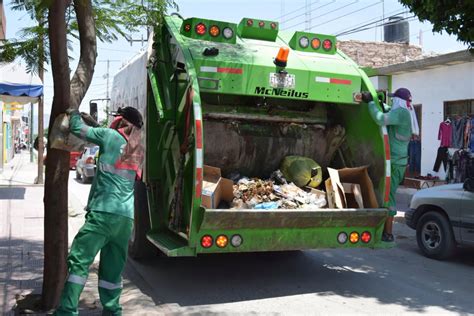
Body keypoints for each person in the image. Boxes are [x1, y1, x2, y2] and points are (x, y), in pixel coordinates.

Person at [55, 107, 144, 316]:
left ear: (121, 121)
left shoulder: (108, 136)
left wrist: (73, 112)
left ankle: (67, 310)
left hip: (103, 213)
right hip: (125, 219)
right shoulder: (137, 149)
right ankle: (112, 310)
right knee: (112, 269)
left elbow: (78, 129)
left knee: (79, 260)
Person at [363, 88, 419, 242]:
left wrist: (370, 103)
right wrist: (379, 102)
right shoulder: (405, 113)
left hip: (394, 163)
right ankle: (385, 230)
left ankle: (388, 233)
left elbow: (381, 118)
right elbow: (389, 112)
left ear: (399, 100)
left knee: (389, 196)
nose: (392, 101)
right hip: (398, 162)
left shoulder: (401, 114)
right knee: (388, 194)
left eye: (394, 99)